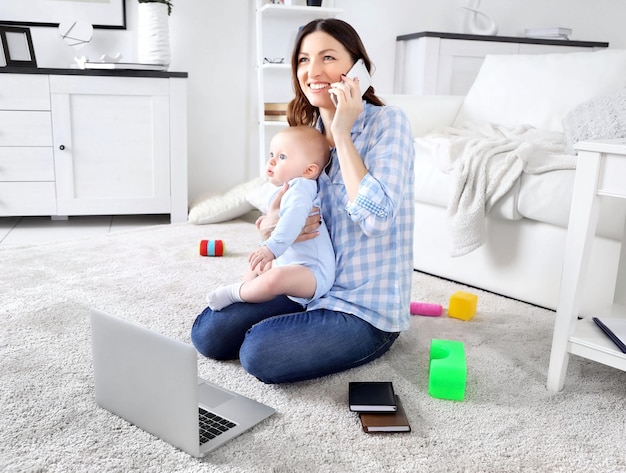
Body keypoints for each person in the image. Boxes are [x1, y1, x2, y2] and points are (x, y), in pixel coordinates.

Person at [191, 18, 415, 384]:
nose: (313, 71)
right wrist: (272, 221)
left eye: (328, 57)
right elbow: (276, 208)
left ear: (357, 68)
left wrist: (342, 133)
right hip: (309, 288)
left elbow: (376, 220)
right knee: (209, 335)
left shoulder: (388, 124)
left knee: (258, 352)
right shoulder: (306, 138)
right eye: (303, 60)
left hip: (364, 311)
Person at [205, 125, 335, 311]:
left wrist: (271, 247)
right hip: (290, 262)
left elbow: (293, 221)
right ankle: (245, 290)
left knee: (275, 277)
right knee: (258, 265)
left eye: (282, 157)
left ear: (308, 171)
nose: (272, 161)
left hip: (313, 272)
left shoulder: (300, 188)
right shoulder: (288, 188)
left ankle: (236, 293)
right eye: (271, 154)